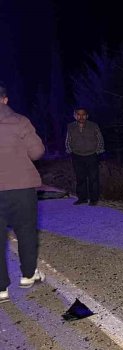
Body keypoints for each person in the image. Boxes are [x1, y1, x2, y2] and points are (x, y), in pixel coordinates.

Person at [0, 82, 46, 303]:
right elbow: (37, 152)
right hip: (21, 188)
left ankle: (1, 289)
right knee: (26, 231)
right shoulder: (20, 121)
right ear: (5, 99)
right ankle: (28, 275)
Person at [65, 107, 105, 206]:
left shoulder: (93, 125)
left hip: (91, 155)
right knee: (80, 178)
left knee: (93, 178)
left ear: (87, 116)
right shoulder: (70, 126)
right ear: (75, 116)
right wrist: (70, 150)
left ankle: (93, 199)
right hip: (77, 155)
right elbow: (68, 140)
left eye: (83, 114)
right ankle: (82, 198)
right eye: (78, 114)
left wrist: (98, 151)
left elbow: (100, 139)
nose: (81, 116)